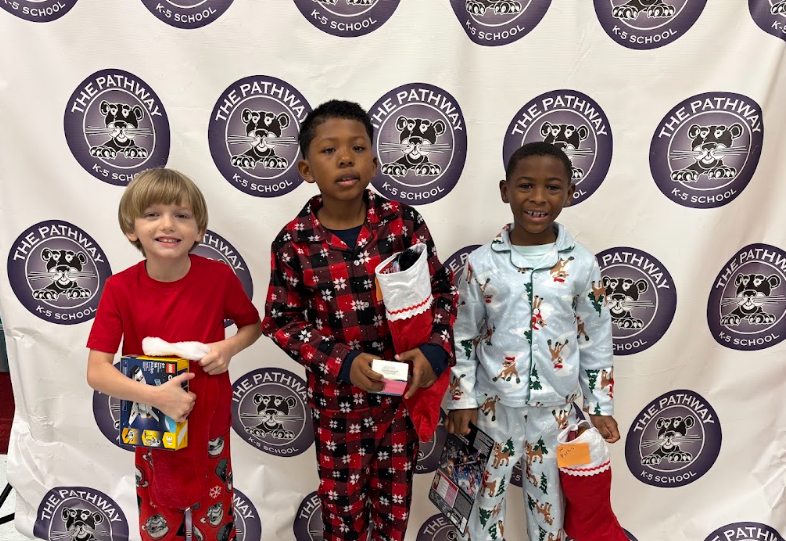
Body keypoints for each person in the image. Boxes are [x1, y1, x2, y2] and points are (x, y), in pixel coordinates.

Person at [262, 100, 457, 541]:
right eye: (329, 151)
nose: (345, 157)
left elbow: (443, 290)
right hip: (338, 408)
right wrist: (344, 361)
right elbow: (281, 320)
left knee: (395, 509)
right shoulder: (294, 242)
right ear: (306, 169)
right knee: (343, 512)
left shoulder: (403, 224)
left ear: (374, 161)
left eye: (357, 147)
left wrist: (433, 352)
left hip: (400, 398)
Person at [445, 142, 619, 541]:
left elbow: (595, 337)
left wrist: (600, 405)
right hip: (492, 407)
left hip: (555, 413)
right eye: (525, 186)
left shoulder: (582, 263)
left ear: (569, 193)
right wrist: (462, 398)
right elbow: (464, 333)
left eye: (552, 187)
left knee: (550, 504)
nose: (538, 198)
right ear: (505, 190)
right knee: (483, 502)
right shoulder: (482, 263)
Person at [86, 168, 262, 541]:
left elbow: (252, 325)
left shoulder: (218, 278)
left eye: (181, 215)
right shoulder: (119, 289)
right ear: (131, 228)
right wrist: (156, 397)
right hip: (150, 421)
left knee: (213, 516)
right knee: (158, 518)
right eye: (153, 214)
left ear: (199, 230)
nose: (168, 224)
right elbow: (98, 372)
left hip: (209, 419)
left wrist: (227, 347)